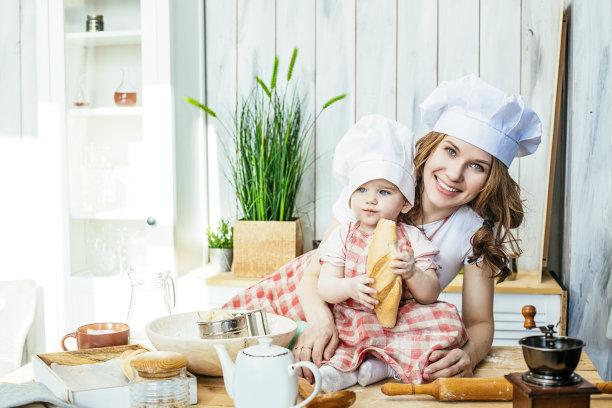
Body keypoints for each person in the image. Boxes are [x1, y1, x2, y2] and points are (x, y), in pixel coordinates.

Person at [223, 74, 542, 383]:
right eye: (450, 150)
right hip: (311, 301)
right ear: (431, 147)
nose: (455, 173)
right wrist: (320, 322)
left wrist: (469, 355)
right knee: (230, 353)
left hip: (371, 329)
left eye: (477, 166)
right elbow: (312, 278)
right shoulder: (378, 187)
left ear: (492, 178)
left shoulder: (475, 233)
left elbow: (480, 322)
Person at [316, 115, 465, 391]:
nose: (371, 199)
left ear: (406, 203)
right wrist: (348, 286)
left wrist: (412, 272)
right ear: (350, 195)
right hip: (353, 316)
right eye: (362, 189)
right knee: (341, 334)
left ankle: (384, 366)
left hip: (398, 320)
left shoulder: (412, 238)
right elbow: (324, 286)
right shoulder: (343, 235)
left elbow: (429, 294)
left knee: (449, 320)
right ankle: (343, 371)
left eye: (384, 192)